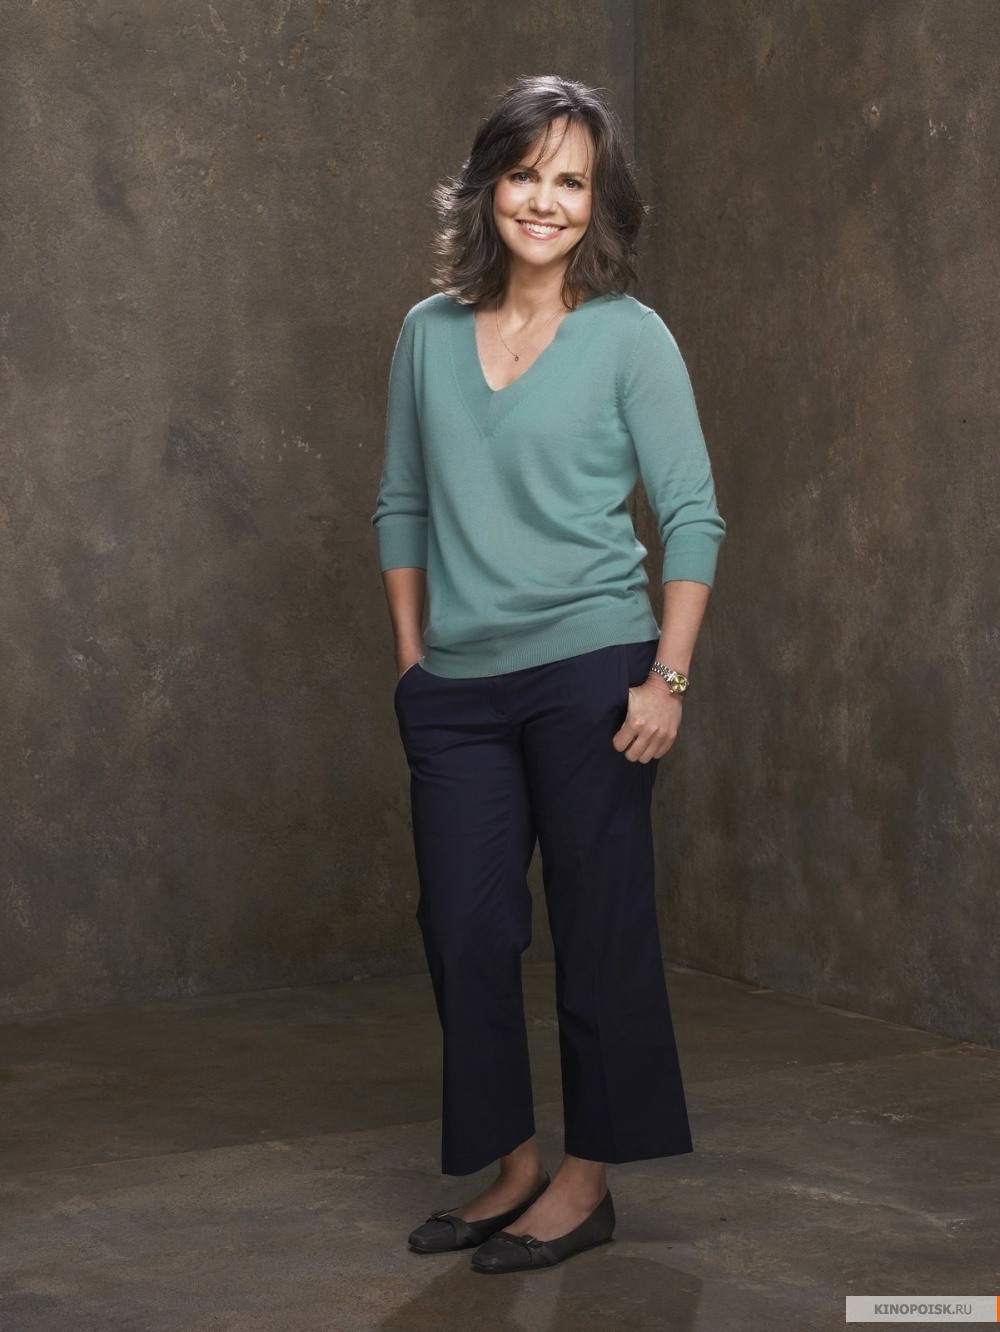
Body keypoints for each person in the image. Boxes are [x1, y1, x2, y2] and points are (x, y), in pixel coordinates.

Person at [371, 74, 726, 1274]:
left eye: (571, 181)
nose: (544, 200)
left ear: (596, 203)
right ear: (488, 186)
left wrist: (667, 682)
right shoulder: (426, 334)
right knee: (465, 929)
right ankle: (513, 1163)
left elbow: (691, 515)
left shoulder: (630, 337)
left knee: (597, 928)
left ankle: (586, 1183)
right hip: (457, 694)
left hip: (595, 675)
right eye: (525, 174)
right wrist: (413, 662)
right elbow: (402, 502)